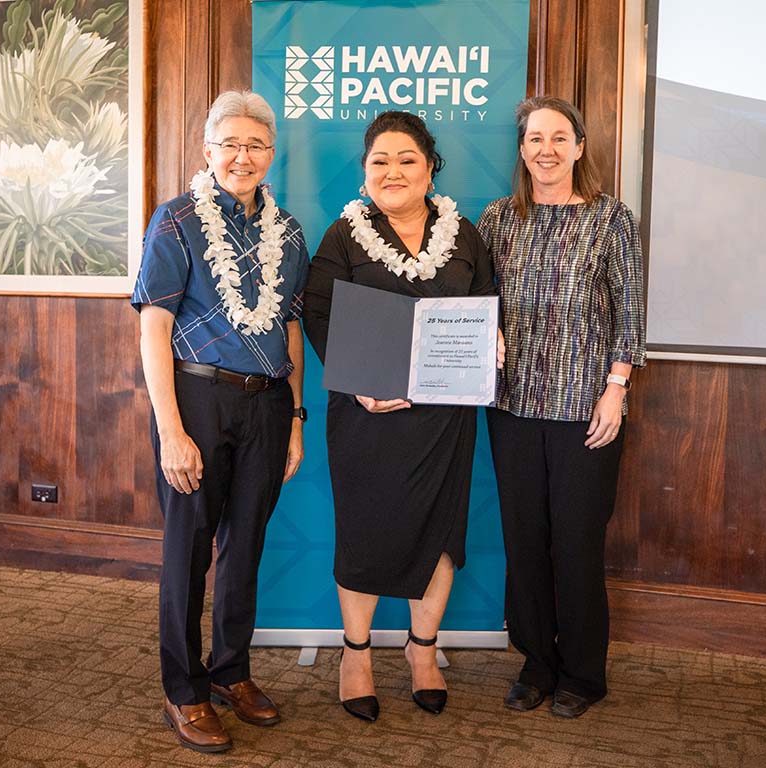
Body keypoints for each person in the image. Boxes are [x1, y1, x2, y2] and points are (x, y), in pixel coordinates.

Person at [302, 111, 496, 721]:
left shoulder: (464, 235)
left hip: (443, 418)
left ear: (430, 168)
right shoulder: (342, 236)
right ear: (364, 175)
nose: (393, 171)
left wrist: (487, 349)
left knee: (439, 530)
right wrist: (360, 382)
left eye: (407, 159)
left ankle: (422, 652)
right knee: (364, 528)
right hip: (366, 415)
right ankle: (355, 655)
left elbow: (487, 306)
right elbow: (318, 315)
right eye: (380, 161)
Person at [132, 90, 309, 752]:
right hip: (196, 399)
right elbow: (154, 328)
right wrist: (172, 431)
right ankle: (184, 690)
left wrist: (293, 418)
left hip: (266, 402)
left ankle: (231, 671)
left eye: (255, 145)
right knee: (189, 551)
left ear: (271, 154)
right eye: (228, 144)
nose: (242, 156)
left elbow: (290, 324)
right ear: (207, 150)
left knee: (245, 548)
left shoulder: (287, 232)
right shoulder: (175, 221)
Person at [477, 96, 646, 719]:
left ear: (579, 147)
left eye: (558, 137)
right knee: (524, 541)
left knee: (575, 543)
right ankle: (535, 663)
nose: (545, 149)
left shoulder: (610, 219)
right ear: (522, 151)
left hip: (586, 409)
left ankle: (582, 673)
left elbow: (629, 309)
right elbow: (477, 297)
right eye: (533, 139)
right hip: (512, 407)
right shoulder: (497, 219)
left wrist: (617, 387)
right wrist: (482, 331)